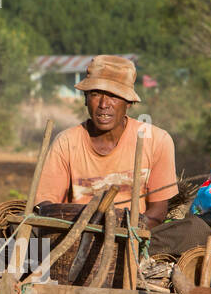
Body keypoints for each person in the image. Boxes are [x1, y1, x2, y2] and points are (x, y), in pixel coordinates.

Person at [33, 55, 178, 229]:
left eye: (114, 96)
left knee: (193, 229)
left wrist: (125, 234)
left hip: (134, 235)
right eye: (95, 94)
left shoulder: (157, 140)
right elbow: (46, 204)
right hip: (77, 233)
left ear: (129, 103)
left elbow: (158, 211)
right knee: (20, 235)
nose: (104, 104)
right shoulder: (66, 142)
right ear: (86, 99)